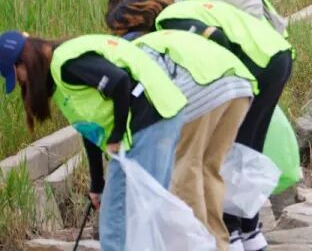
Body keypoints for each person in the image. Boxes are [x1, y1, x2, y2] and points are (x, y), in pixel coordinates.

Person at [106, 0, 293, 251]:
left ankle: (227, 234)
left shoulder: (172, 19)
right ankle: (245, 233)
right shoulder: (188, 8)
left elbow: (214, 40)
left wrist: (221, 73)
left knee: (207, 161)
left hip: (242, 70)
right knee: (243, 152)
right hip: (273, 57)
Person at [0, 30, 187, 251]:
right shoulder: (62, 73)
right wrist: (97, 184)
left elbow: (119, 82)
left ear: (23, 62)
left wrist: (116, 135)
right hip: (156, 119)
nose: (22, 83)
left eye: (17, 75)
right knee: (139, 216)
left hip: (148, 121)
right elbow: (90, 128)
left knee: (118, 224)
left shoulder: (67, 64)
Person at [107, 17, 256, 251]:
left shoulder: (134, 53)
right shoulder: (168, 36)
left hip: (201, 92)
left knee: (186, 169)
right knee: (210, 168)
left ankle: (193, 245)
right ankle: (219, 244)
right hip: (239, 86)